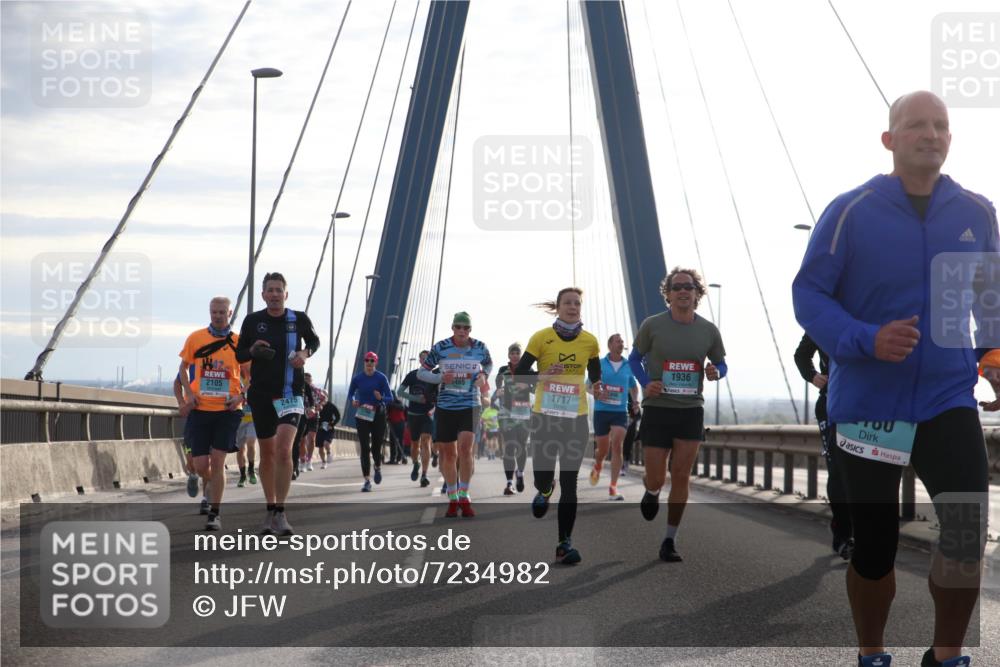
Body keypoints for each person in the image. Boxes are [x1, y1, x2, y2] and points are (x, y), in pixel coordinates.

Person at [792, 91, 998, 667]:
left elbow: (989, 297)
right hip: (868, 404)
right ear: (890, 139)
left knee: (963, 536)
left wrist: (994, 355)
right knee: (876, 548)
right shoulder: (851, 211)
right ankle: (872, 652)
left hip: (947, 399)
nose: (929, 134)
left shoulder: (977, 212)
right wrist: (865, 339)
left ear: (950, 138)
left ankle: (947, 655)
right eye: (915, 126)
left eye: (940, 125)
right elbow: (808, 293)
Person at [629, 267, 727, 563]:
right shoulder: (652, 325)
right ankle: (651, 490)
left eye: (689, 286)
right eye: (677, 287)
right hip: (658, 409)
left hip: (690, 410)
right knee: (657, 477)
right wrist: (647, 383)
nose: (683, 291)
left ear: (698, 293)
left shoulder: (708, 330)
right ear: (668, 294)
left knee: (682, 475)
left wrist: (715, 372)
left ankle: (670, 540)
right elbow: (634, 359)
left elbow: (722, 364)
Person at [515, 288, 601, 565]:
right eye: (568, 303)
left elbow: (595, 379)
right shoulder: (541, 338)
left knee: (570, 483)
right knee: (543, 475)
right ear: (558, 307)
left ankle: (564, 543)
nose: (573, 307)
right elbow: (519, 375)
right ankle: (544, 489)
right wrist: (541, 375)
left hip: (575, 420)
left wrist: (597, 388)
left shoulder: (590, 342)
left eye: (577, 303)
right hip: (545, 417)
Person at [236, 272, 320, 536]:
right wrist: (252, 350)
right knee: (268, 454)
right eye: (270, 290)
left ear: (286, 294)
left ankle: (281, 512)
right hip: (261, 395)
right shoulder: (253, 321)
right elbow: (239, 354)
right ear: (263, 295)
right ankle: (270, 508)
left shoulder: (298, 319)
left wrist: (305, 354)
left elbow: (315, 341)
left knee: (284, 451)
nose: (274, 294)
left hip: (290, 393)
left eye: (278, 290)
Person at [178, 296, 247, 531]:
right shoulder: (196, 338)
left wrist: (241, 396)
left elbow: (250, 375)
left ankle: (215, 513)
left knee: (218, 461)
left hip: (228, 411)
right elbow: (182, 368)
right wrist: (188, 393)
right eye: (213, 312)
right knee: (199, 464)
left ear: (229, 314)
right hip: (200, 409)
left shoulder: (239, 342)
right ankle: (207, 483)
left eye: (221, 312)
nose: (217, 316)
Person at [418, 312, 493, 518]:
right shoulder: (441, 348)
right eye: (458, 327)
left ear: (470, 330)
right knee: (449, 455)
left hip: (470, 404)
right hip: (446, 406)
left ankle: (464, 495)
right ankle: (452, 498)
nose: (462, 331)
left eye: (466, 328)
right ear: (452, 328)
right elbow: (421, 373)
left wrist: (483, 375)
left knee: (466, 449)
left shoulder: (480, 347)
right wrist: (441, 377)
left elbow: (488, 364)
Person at [794, 332, 853, 559]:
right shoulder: (825, 316)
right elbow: (801, 355)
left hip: (867, 404)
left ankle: (864, 532)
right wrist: (813, 376)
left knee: (862, 472)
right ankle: (843, 536)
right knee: (838, 471)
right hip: (831, 404)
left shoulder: (872, 309)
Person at [590, 333, 638, 501]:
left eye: (622, 342)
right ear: (609, 345)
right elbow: (588, 386)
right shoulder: (599, 364)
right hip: (601, 411)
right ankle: (597, 464)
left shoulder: (628, 365)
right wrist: (595, 393)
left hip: (619, 412)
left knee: (617, 445)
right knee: (603, 449)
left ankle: (613, 487)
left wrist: (636, 402)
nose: (621, 343)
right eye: (617, 341)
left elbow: (633, 386)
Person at [347, 351, 393, 492]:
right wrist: (353, 400)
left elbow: (390, 398)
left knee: (376, 446)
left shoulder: (381, 378)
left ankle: (377, 467)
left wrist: (380, 398)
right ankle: (367, 480)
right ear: (364, 362)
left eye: (372, 361)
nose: (369, 363)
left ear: (376, 363)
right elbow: (350, 393)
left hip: (378, 413)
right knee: (365, 448)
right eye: (367, 360)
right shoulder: (358, 378)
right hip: (362, 414)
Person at [495, 343, 535, 495]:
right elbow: (498, 384)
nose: (515, 356)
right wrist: (499, 390)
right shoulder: (502, 370)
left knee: (522, 445)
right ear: (508, 355)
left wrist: (527, 387)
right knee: (510, 446)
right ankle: (509, 483)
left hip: (524, 411)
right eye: (512, 353)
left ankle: (520, 474)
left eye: (517, 353)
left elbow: (536, 387)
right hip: (506, 412)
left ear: (521, 355)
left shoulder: (528, 370)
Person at [398, 349, 438, 487]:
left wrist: (434, 406)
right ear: (420, 361)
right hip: (413, 415)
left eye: (428, 359)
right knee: (415, 444)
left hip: (427, 415)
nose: (426, 361)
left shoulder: (436, 377)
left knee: (426, 442)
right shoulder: (412, 375)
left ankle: (424, 475)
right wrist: (415, 398)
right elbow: (399, 392)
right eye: (423, 359)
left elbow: (441, 396)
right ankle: (416, 464)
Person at [234, 402, 257, 487]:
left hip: (252, 419)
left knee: (251, 443)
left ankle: (251, 470)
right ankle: (243, 476)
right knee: (240, 449)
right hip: (239, 420)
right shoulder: (235, 388)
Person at [315, 397, 342, 469]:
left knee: (326, 443)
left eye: (323, 398)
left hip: (329, 428)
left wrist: (332, 424)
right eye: (320, 399)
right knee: (320, 447)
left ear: (326, 398)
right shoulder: (317, 405)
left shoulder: (331, 406)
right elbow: (312, 415)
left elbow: (338, 416)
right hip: (320, 429)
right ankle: (323, 462)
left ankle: (329, 453)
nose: (322, 400)